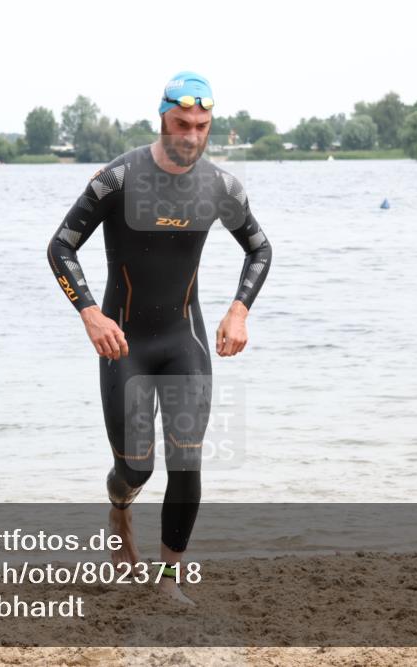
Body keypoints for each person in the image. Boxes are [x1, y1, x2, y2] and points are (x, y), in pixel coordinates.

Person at [46, 71, 272, 605]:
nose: (191, 135)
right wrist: (90, 314)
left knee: (187, 461)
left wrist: (239, 310)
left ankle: (169, 578)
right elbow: (61, 247)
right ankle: (120, 511)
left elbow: (259, 249)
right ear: (163, 118)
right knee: (135, 467)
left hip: (183, 339)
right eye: (181, 123)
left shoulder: (220, 187)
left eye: (201, 126)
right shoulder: (118, 178)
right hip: (123, 343)